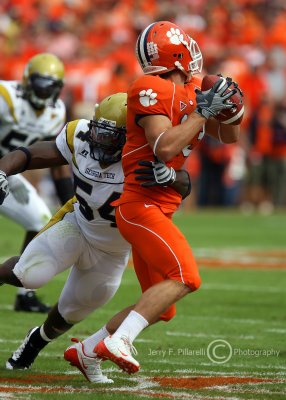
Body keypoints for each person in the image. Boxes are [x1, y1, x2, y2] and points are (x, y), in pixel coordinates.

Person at [66, 20, 242, 376]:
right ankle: (119, 341)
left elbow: (228, 137)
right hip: (139, 206)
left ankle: (87, 350)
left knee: (162, 307)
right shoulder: (147, 87)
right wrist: (201, 112)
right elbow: (165, 147)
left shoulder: (194, 87)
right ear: (175, 53)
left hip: (161, 206)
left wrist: (233, 107)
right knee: (186, 277)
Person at [0, 93, 190, 383]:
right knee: (29, 275)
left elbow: (185, 183)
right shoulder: (80, 134)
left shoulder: (148, 151)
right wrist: (3, 169)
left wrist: (170, 176)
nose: (101, 139)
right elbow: (32, 154)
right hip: (77, 224)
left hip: (114, 250)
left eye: (112, 135)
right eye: (100, 130)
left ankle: (34, 342)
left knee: (72, 312)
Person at [0, 52, 73, 312]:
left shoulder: (56, 111)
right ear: (27, 81)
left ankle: (24, 293)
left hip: (6, 174)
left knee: (40, 220)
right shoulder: (6, 96)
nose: (44, 93)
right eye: (40, 84)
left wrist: (72, 202)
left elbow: (56, 161)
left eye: (50, 87)